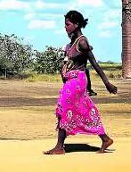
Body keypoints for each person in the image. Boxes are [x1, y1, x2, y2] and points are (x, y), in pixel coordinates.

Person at [44, 10, 117, 155]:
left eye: (68, 24)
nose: (65, 27)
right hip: (71, 82)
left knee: (64, 109)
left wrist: (106, 83)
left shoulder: (82, 42)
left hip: (76, 82)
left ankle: (59, 146)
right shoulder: (71, 43)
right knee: (83, 110)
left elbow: (93, 63)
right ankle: (105, 138)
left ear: (76, 25)